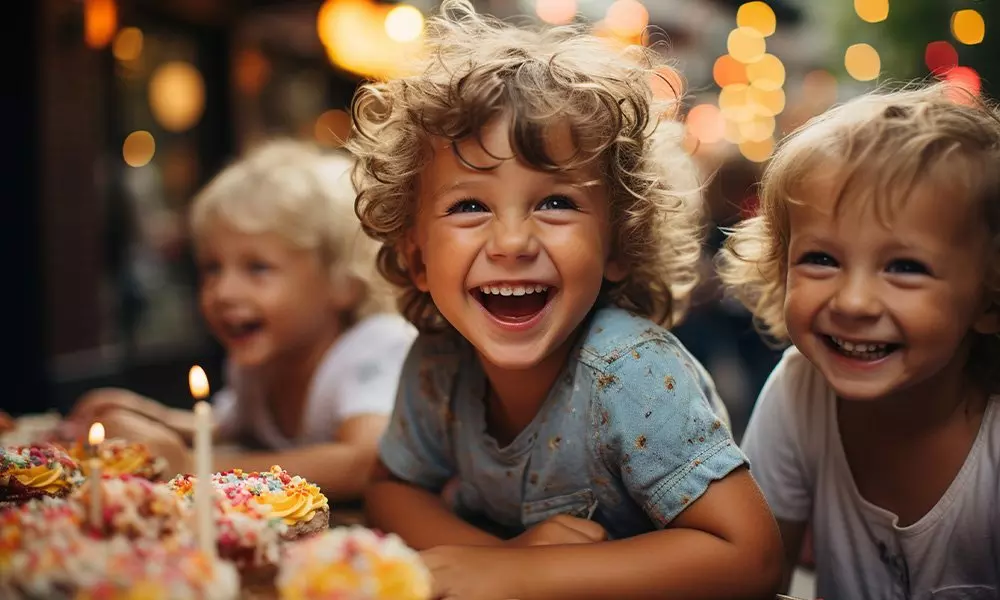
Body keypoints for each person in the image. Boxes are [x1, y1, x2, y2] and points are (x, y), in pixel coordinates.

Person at [348, 2, 782, 598]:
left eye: (556, 202)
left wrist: (519, 574)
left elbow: (750, 557)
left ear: (616, 244)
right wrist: (500, 559)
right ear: (418, 259)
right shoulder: (437, 363)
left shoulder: (629, 373)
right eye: (469, 206)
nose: (511, 242)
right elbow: (391, 488)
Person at [718, 83, 1000, 599]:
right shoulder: (799, 391)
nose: (853, 302)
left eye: (905, 267)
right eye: (821, 259)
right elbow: (755, 575)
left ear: (988, 300)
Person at [68, 140, 416, 500]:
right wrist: (154, 418)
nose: (223, 291)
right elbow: (226, 427)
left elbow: (364, 462)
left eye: (257, 267)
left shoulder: (371, 349)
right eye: (211, 268)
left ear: (343, 283)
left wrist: (193, 464)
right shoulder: (260, 362)